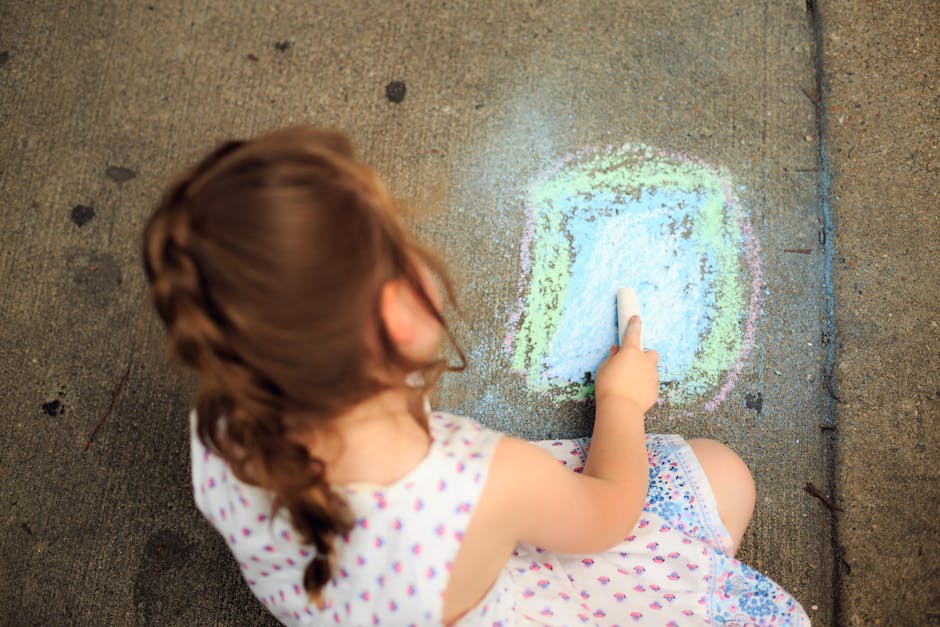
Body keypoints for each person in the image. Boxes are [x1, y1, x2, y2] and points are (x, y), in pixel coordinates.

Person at [142, 127, 810, 625]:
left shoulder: (223, 424)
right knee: (724, 476)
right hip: (492, 583)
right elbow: (609, 514)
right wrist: (621, 401)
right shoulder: (479, 480)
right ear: (400, 314)